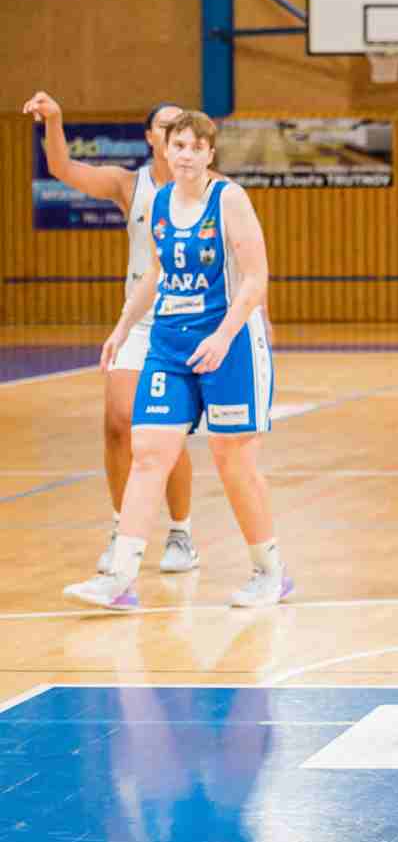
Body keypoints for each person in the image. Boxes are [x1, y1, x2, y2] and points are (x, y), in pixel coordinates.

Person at [64, 111, 289, 611]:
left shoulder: (228, 199)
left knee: (233, 459)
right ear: (164, 150)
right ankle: (120, 578)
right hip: (169, 343)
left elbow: (256, 277)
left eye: (194, 147)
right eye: (177, 146)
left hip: (228, 343)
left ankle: (270, 571)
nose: (185, 154)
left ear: (210, 154)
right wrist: (123, 327)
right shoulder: (159, 202)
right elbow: (155, 272)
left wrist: (224, 336)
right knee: (148, 452)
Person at [23, 93, 197, 574]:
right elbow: (61, 168)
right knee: (119, 425)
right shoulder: (129, 185)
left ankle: (181, 533)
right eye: (163, 125)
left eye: (179, 125)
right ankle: (122, 532)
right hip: (139, 320)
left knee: (168, 433)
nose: (171, 131)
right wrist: (55, 119)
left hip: (185, 321)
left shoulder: (208, 188)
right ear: (150, 138)